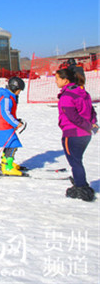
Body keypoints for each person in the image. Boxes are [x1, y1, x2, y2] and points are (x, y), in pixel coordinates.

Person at [55, 68, 98, 202]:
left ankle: (81, 186)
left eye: (57, 79)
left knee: (75, 162)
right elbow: (92, 111)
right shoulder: (83, 92)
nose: (56, 82)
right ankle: (79, 180)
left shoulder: (67, 96)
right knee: (77, 160)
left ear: (65, 80)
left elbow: (73, 117)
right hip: (85, 135)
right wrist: (93, 124)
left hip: (73, 134)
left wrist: (89, 126)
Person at [0, 77, 26, 176]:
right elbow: (5, 113)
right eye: (19, 91)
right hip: (2, 124)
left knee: (9, 144)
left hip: (2, 123)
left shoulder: (9, 96)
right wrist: (15, 123)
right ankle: (7, 166)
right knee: (13, 144)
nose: (19, 93)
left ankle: (5, 162)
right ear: (15, 88)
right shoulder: (7, 98)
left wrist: (15, 120)